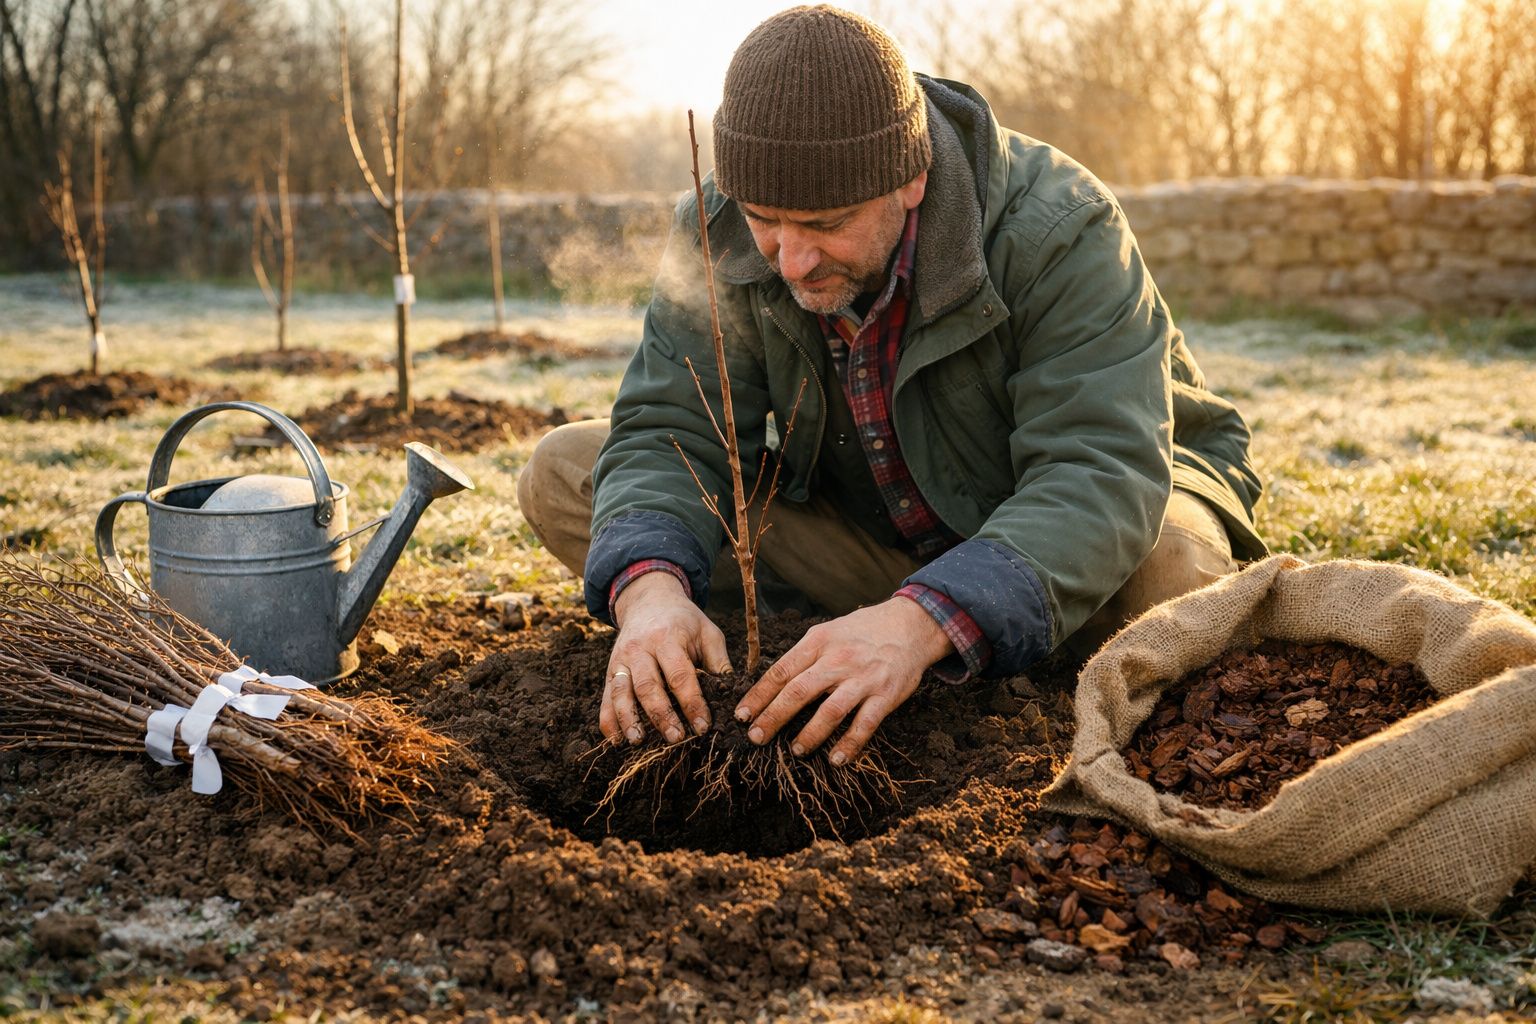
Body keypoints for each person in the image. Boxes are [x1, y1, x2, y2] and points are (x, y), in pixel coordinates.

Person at [517, 4, 1265, 767]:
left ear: (910, 181)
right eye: (766, 218)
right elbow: (674, 428)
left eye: (826, 224)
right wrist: (649, 594)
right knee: (566, 472)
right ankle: (906, 632)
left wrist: (916, 623)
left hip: (1099, 512)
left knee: (1172, 574)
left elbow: (1099, 472)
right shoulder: (719, 231)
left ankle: (939, 631)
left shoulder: (1060, 229)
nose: (790, 260)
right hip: (883, 534)